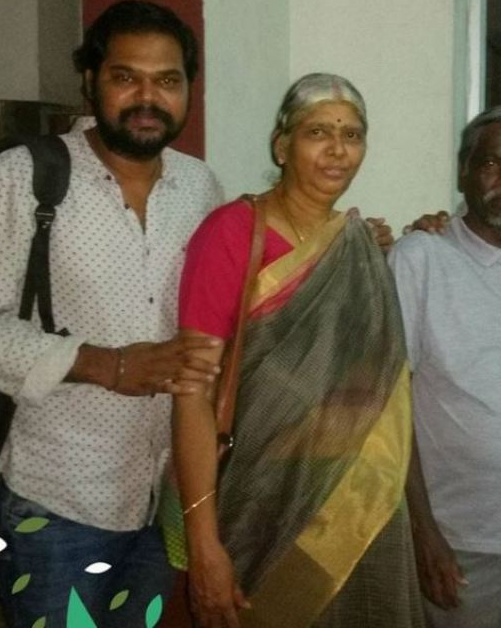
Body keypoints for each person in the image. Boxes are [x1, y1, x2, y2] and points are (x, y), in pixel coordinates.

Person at [0, 0, 225, 627]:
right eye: (125, 76)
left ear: (188, 88)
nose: (147, 97)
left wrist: (361, 242)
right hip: (54, 506)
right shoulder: (26, 177)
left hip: (159, 499)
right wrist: (102, 364)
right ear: (90, 81)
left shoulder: (201, 187)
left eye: (167, 80)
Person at [165, 73, 424, 628]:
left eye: (352, 135)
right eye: (318, 132)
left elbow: (377, 390)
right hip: (258, 500)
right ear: (282, 146)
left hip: (355, 499)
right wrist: (204, 543)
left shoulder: (355, 244)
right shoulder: (232, 233)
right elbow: (192, 393)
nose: (338, 150)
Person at [389, 105, 501, 628]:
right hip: (461, 542)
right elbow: (388, 406)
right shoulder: (420, 259)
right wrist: (423, 535)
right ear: (464, 173)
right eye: (491, 164)